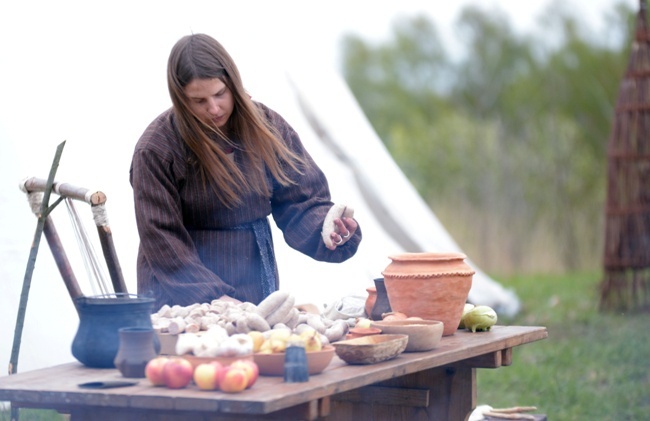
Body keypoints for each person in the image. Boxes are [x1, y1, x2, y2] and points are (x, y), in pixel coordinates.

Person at [130, 33, 361, 309]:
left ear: (234, 84)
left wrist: (328, 229)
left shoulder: (266, 127)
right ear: (180, 99)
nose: (214, 108)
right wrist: (213, 298)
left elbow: (301, 201)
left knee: (256, 350)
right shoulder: (156, 149)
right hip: (180, 296)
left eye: (220, 93)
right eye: (199, 101)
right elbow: (161, 238)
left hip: (253, 279)